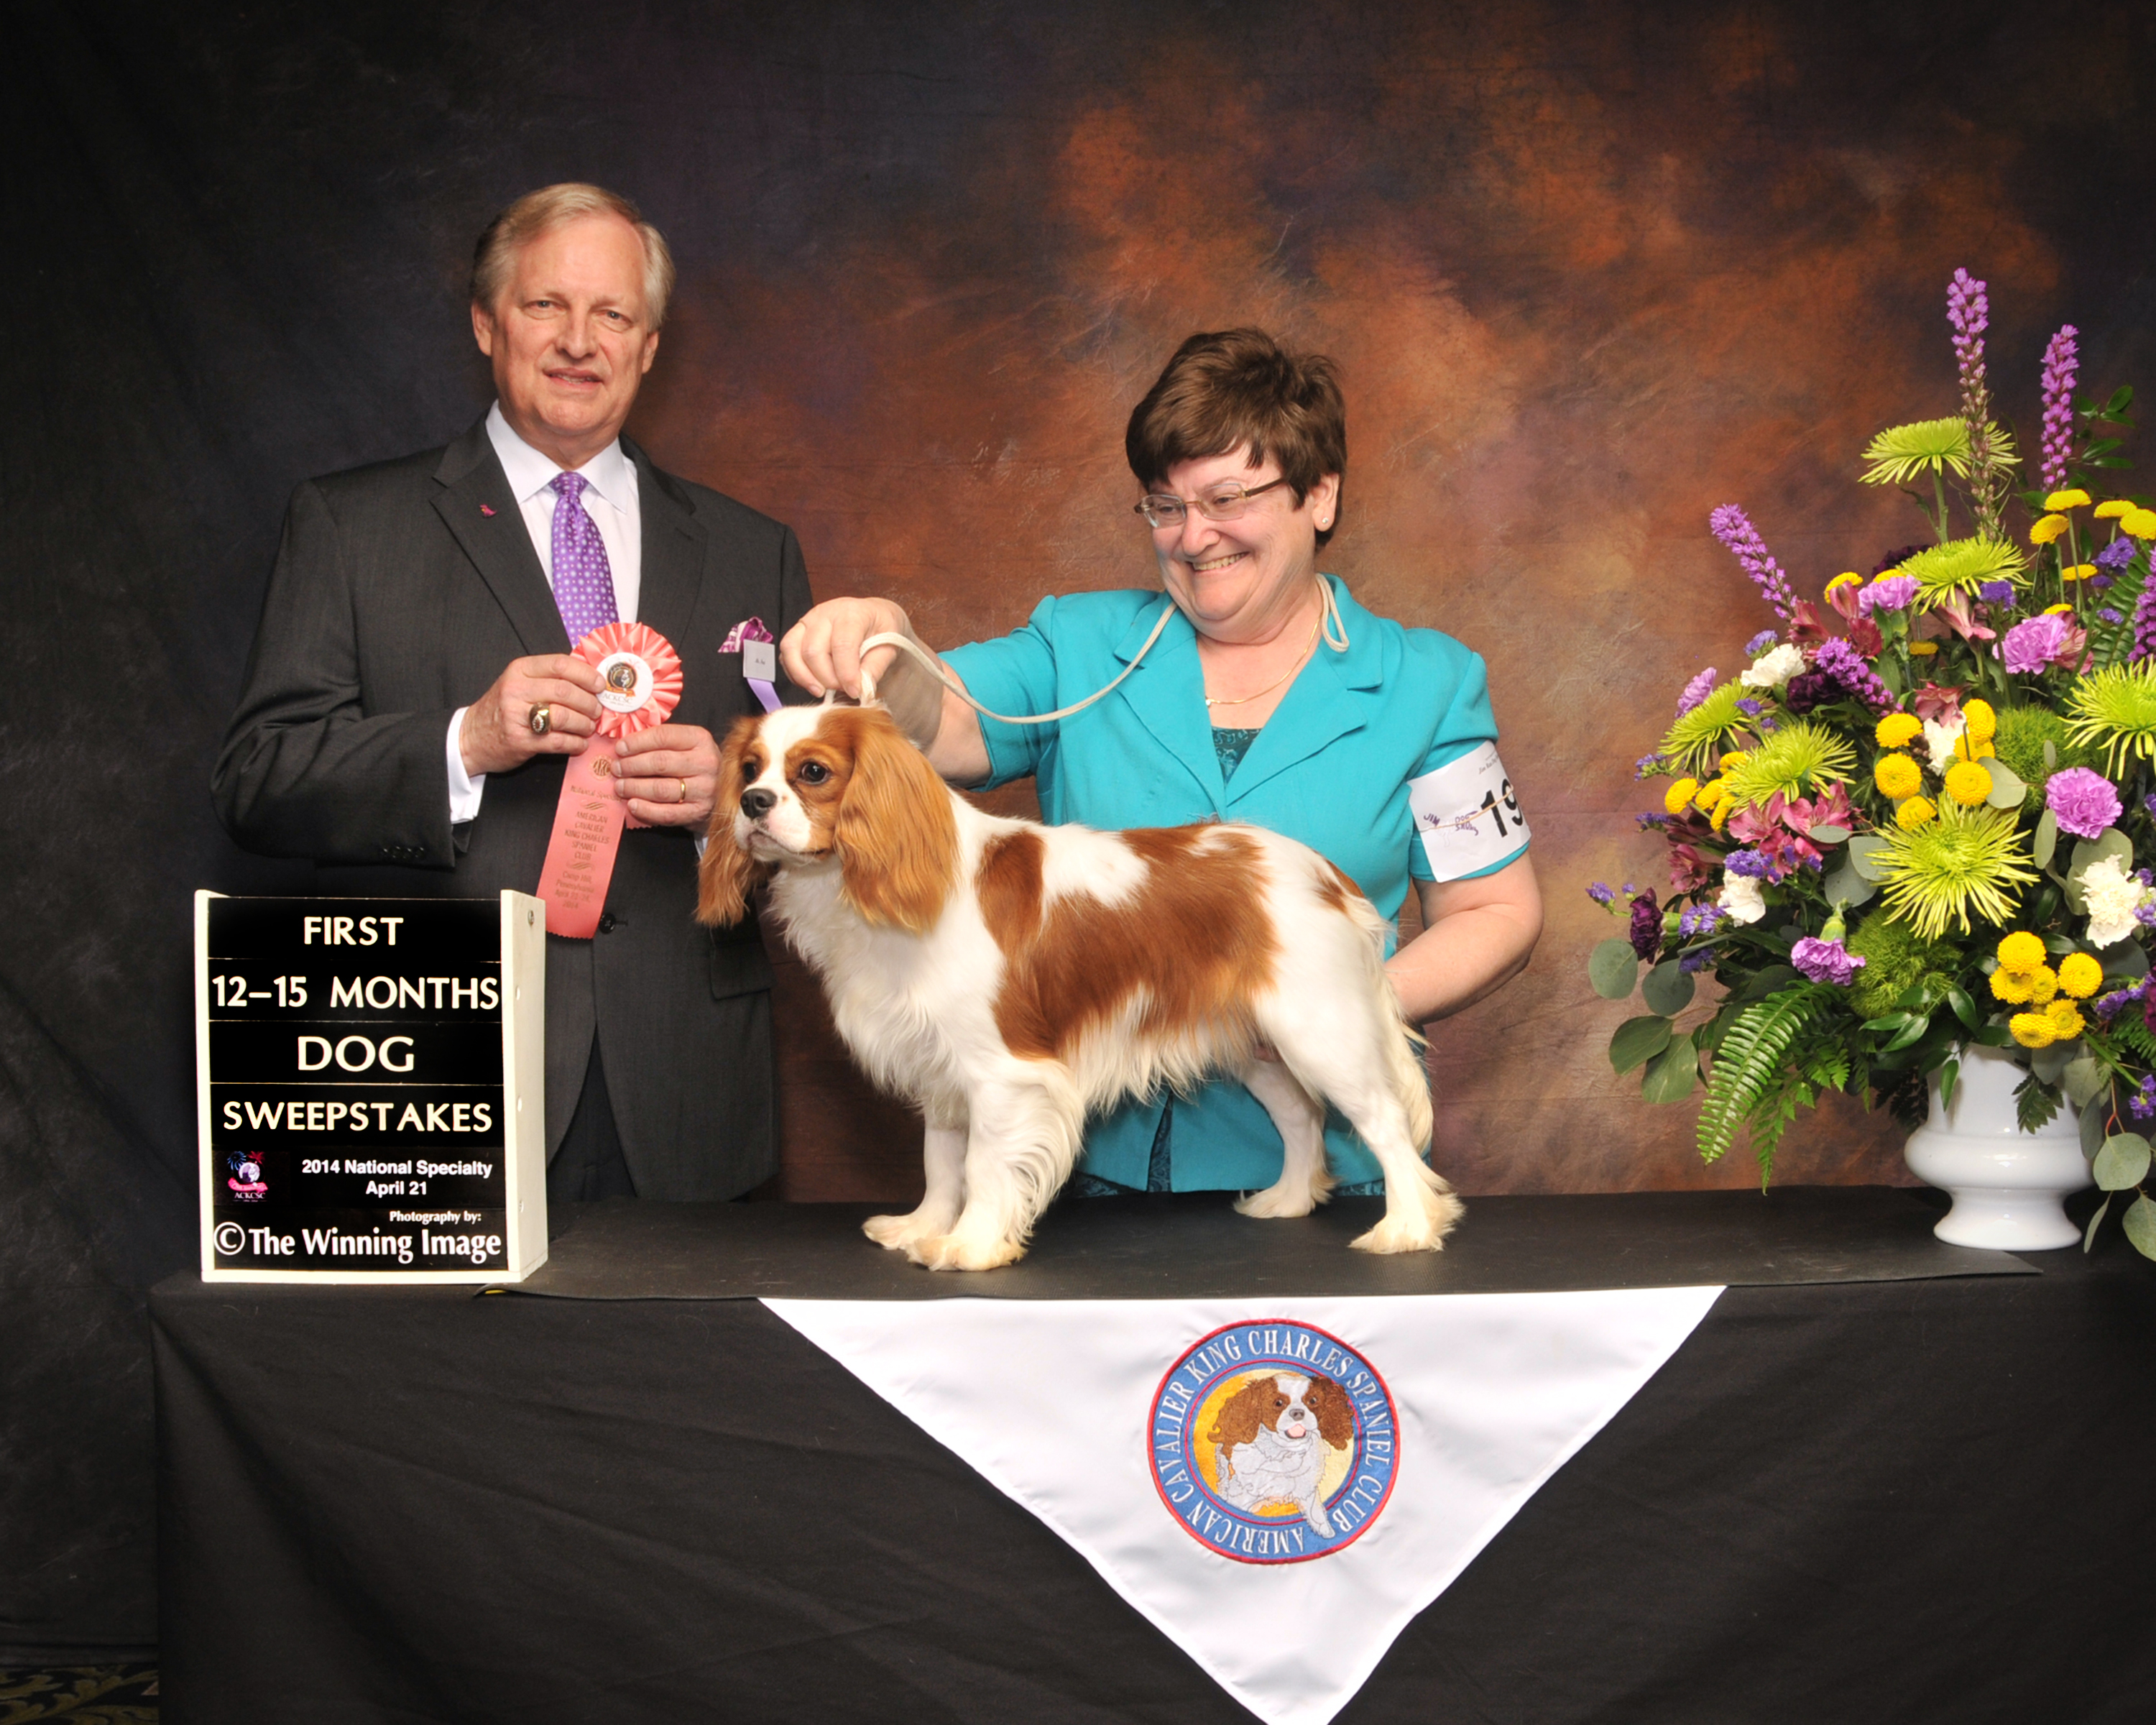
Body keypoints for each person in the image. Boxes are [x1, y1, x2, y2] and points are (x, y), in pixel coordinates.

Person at [782, 327, 1542, 1195]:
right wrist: (886, 639)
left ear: (1319, 495)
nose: (1193, 537)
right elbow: (942, 718)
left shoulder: (1428, 681)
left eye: (1227, 498)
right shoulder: (1080, 642)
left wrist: (1317, 1001)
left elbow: (1495, 910)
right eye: (1165, 506)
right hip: (1097, 1181)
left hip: (1332, 1182)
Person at [215, 183, 811, 1203]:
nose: (580, 340)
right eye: (547, 306)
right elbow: (259, 784)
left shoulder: (757, 552)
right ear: (488, 324)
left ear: (650, 345)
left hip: (689, 1094)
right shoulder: (350, 525)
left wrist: (740, 800)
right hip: (435, 1081)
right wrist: (464, 743)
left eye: (613, 314)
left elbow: (837, 828)